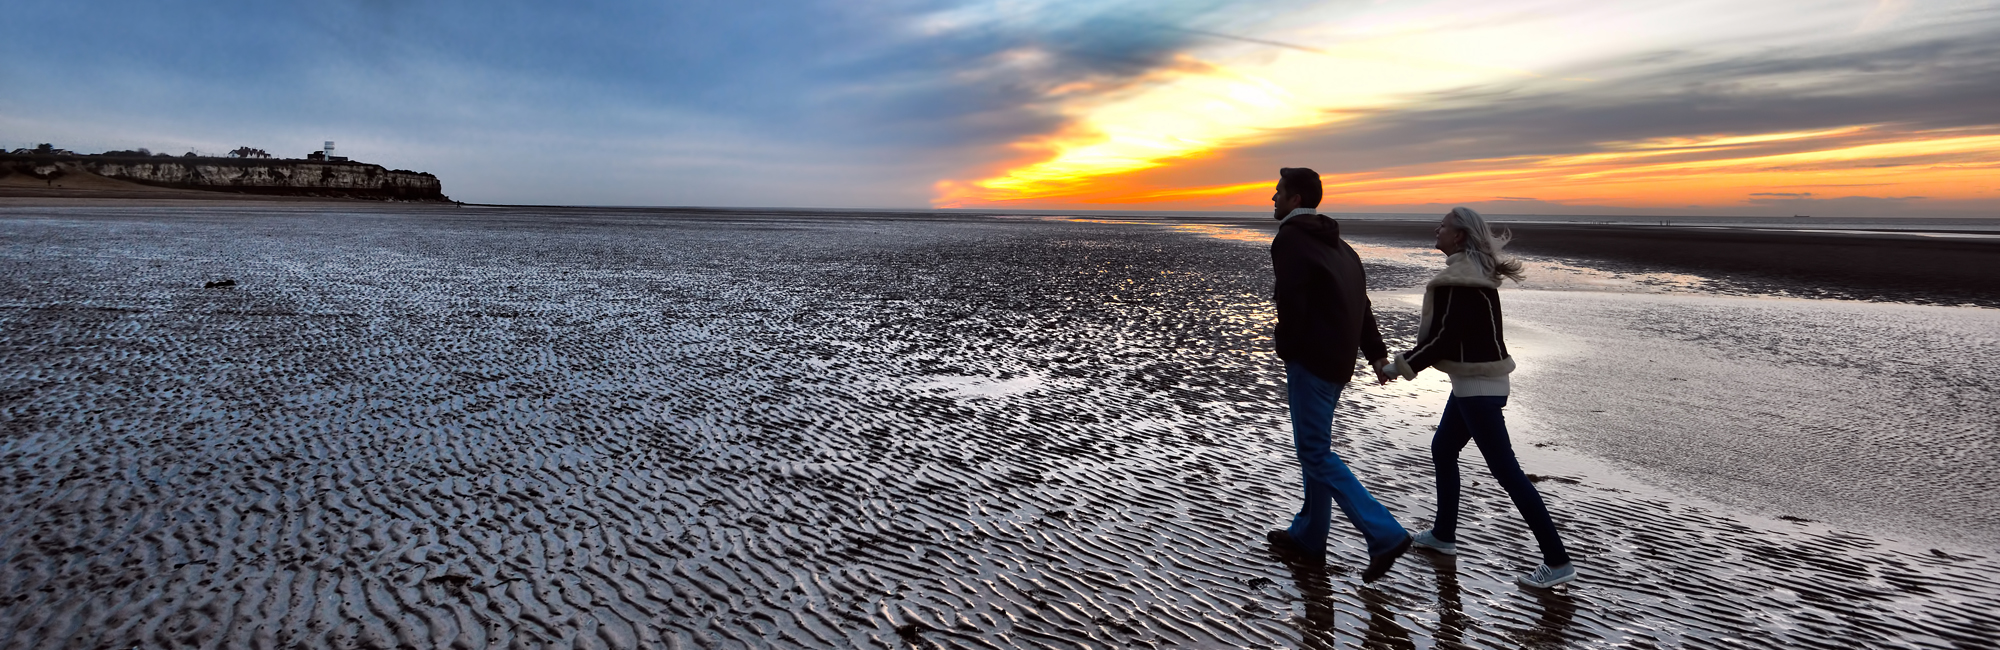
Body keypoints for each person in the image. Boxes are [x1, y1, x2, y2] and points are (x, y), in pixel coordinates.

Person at [1379, 206, 1578, 588]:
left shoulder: (1462, 279)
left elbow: (1444, 340)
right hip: (1477, 384)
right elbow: (1454, 338)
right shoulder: (1471, 275)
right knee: (1443, 449)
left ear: (1459, 237)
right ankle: (1443, 536)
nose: (1436, 228)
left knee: (1508, 473)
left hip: (1479, 389)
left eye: (1444, 225)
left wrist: (1398, 367)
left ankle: (1557, 560)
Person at [1263, 167, 1412, 583]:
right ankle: (1310, 536)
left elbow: (1291, 301)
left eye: (1278, 193)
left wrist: (1288, 347)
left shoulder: (1291, 238)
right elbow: (1362, 305)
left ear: (1294, 200)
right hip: (1337, 362)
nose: (1272, 199)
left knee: (1314, 451)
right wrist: (1376, 356)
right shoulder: (1342, 246)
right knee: (1317, 448)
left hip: (1313, 360)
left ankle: (1384, 533)